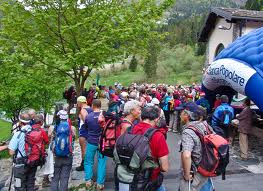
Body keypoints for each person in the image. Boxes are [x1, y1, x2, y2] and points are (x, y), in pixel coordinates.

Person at [118, 106, 169, 191]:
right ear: (156, 119)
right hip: (149, 180)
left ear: (141, 117)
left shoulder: (130, 130)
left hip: (128, 176)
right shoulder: (158, 135)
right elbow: (165, 167)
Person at [9, 113, 47, 191]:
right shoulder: (35, 130)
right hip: (33, 161)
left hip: (21, 163)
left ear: (20, 122)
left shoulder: (18, 134)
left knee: (19, 186)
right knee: (30, 184)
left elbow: (11, 152)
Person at [179, 102, 213, 191]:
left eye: (181, 112)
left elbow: (186, 155)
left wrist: (186, 175)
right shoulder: (206, 126)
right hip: (207, 166)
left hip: (195, 171)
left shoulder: (188, 131)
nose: (180, 115)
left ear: (187, 115)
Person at [84, 99, 107, 190]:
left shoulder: (88, 116)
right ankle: (100, 183)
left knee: (88, 161)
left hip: (91, 142)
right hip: (102, 143)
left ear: (93, 105)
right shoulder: (104, 116)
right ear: (100, 106)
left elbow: (86, 127)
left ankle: (88, 181)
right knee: (101, 162)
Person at [51, 110, 76, 191]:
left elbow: (51, 139)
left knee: (55, 176)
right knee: (64, 177)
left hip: (57, 156)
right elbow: (73, 138)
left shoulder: (54, 127)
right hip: (68, 155)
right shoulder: (72, 128)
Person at [76, 96, 92, 171]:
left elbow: (86, 122)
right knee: (89, 149)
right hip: (91, 132)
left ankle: (84, 165)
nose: (77, 104)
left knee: (84, 149)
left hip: (84, 132)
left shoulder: (83, 110)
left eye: (77, 102)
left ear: (80, 102)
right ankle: (88, 164)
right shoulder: (91, 109)